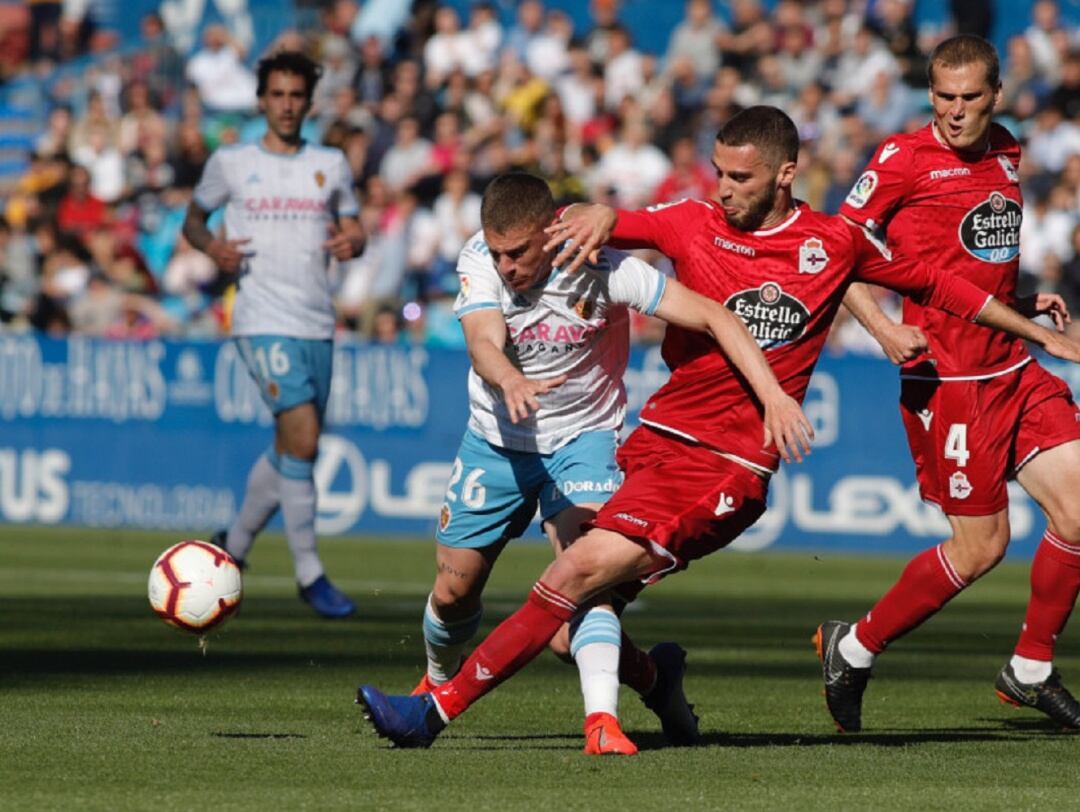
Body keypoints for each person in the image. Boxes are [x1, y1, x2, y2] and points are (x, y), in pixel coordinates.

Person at [356, 106, 1080, 749]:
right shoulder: (689, 220)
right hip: (654, 440)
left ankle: (433, 714)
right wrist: (599, 211)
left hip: (728, 467)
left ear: (786, 173)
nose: (724, 187)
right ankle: (657, 680)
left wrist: (1030, 332)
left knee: (573, 573)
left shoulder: (834, 244)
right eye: (719, 172)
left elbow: (940, 285)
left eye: (740, 176)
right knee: (569, 624)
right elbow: (584, 222)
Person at [416, 170, 813, 756]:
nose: (506, 267)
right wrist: (511, 379)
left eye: (518, 253)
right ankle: (442, 682)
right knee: (452, 595)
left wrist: (775, 394)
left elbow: (713, 315)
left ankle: (601, 722)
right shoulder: (479, 258)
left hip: (585, 439)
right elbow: (481, 340)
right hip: (497, 437)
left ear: (550, 232)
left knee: (586, 582)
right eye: (498, 253)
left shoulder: (606, 270)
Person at [816, 34, 1080, 732]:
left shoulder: (1008, 151)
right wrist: (881, 328)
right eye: (943, 98)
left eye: (969, 98)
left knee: (1079, 512)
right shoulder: (903, 159)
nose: (955, 112)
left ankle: (1029, 667)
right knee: (981, 548)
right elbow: (835, 254)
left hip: (1015, 367)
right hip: (950, 379)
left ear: (996, 95)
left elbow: (975, 259)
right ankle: (855, 645)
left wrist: (1021, 305)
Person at [182, 51, 365, 618]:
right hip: (259, 318)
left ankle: (231, 547)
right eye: (277, 94)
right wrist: (212, 246)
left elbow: (355, 226)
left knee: (290, 447)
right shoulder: (232, 162)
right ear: (261, 100)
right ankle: (310, 574)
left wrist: (352, 240)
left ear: (308, 104)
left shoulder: (330, 164)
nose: (286, 105)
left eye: (295, 96)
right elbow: (193, 218)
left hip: (316, 320)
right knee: (305, 439)